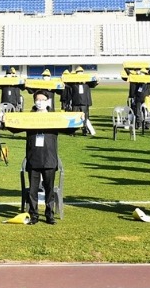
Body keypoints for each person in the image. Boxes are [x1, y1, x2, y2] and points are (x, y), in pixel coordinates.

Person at [18, 90, 71, 225]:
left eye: (42, 100)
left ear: (48, 102)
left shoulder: (54, 117)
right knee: (33, 190)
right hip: (33, 158)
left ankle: (49, 215)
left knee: (49, 189)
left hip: (49, 158)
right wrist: (4, 121)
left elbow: (68, 128)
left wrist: (79, 121)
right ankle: (34, 215)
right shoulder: (29, 117)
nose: (40, 102)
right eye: (38, 99)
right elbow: (15, 127)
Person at [68, 67, 97, 136]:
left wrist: (96, 79)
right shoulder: (73, 83)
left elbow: (94, 83)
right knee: (74, 117)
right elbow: (67, 83)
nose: (79, 74)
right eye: (78, 72)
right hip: (75, 103)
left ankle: (85, 131)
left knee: (85, 118)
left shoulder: (87, 82)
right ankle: (72, 131)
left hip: (84, 103)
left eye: (81, 72)